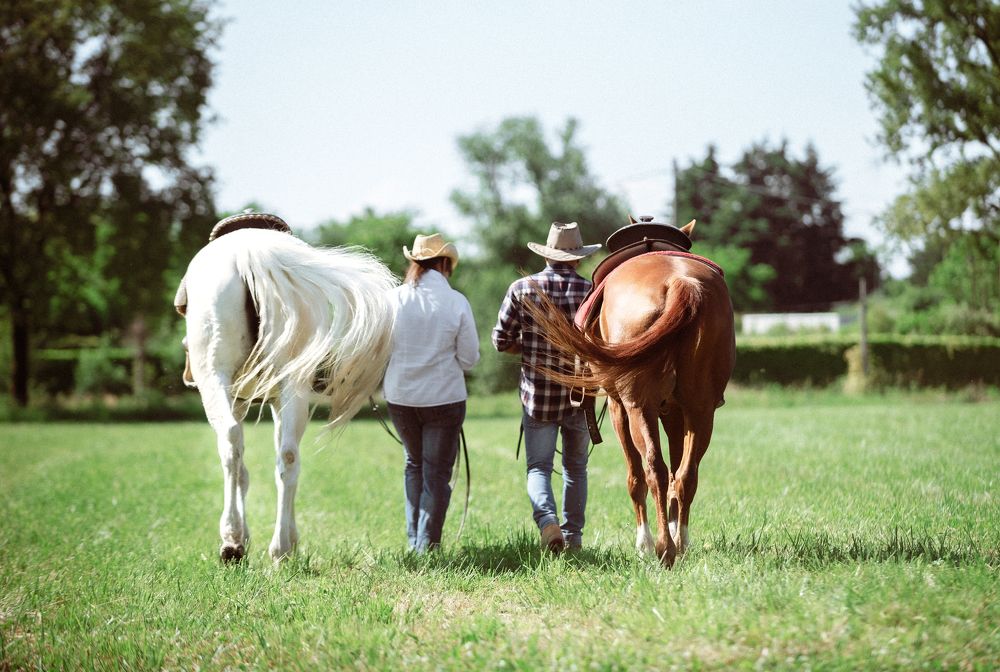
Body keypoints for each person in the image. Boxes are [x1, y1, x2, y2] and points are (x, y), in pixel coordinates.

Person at [492, 222, 601, 553]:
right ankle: (575, 537)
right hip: (580, 396)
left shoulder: (522, 288)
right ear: (579, 258)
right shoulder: (592, 292)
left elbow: (500, 340)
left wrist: (528, 348)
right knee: (576, 468)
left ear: (548, 254)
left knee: (539, 467)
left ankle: (547, 523)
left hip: (537, 396)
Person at [384, 233, 480, 552]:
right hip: (443, 398)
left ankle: (416, 542)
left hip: (401, 398)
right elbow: (469, 358)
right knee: (437, 473)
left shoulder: (393, 299)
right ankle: (426, 545)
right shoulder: (456, 302)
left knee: (414, 463)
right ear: (443, 264)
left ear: (415, 263)